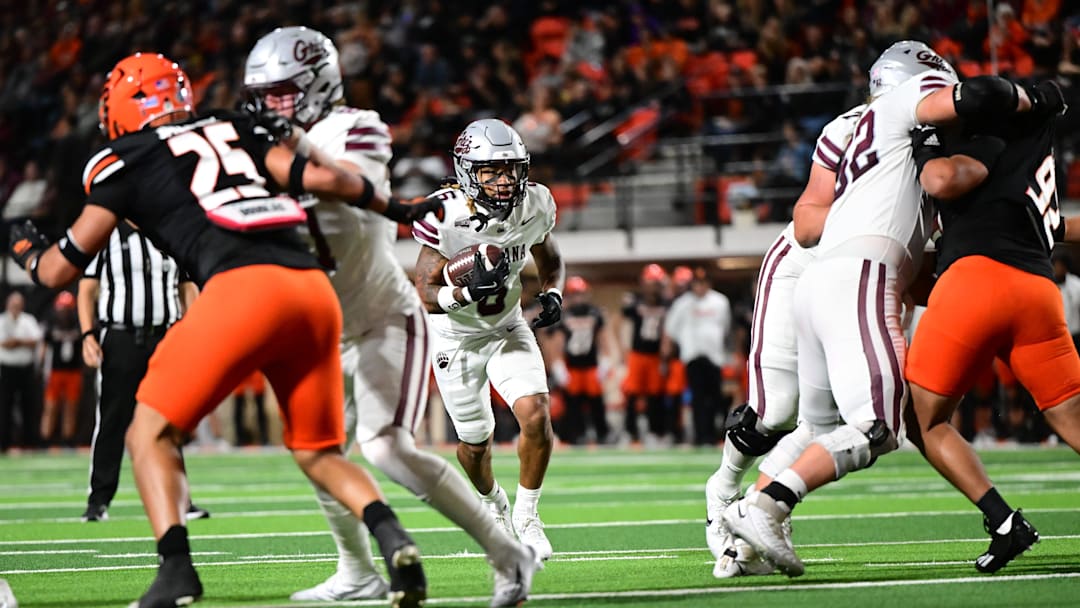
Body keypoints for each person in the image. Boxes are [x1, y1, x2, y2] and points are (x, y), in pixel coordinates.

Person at [8, 52, 440, 607]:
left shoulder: (121, 159)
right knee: (319, 451)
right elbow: (328, 177)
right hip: (311, 292)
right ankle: (394, 539)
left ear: (120, 106)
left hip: (241, 290)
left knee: (146, 433)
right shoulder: (239, 124)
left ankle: (176, 571)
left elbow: (57, 270)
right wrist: (400, 208)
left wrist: (24, 245)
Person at [723, 40, 1059, 576]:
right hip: (862, 275)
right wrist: (1031, 99)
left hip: (822, 281)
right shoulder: (911, 104)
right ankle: (764, 505)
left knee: (814, 429)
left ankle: (740, 549)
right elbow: (974, 96)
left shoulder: (857, 130)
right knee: (879, 426)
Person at [243, 28, 540, 606]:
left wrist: (267, 151)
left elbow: (331, 185)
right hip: (318, 325)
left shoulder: (355, 126)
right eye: (264, 94)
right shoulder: (264, 142)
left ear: (318, 83)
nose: (271, 105)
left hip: (379, 314)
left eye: (283, 92)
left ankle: (509, 555)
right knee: (317, 452)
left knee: (386, 447)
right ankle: (356, 571)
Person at [905, 81, 1078, 573]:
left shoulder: (985, 136)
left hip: (976, 284)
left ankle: (1004, 522)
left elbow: (942, 180)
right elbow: (1057, 227)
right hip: (1039, 293)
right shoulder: (1033, 145)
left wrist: (925, 149)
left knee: (922, 420)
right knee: (1073, 420)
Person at [705, 103, 865, 578]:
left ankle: (764, 510)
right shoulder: (855, 127)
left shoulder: (938, 149)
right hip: (804, 262)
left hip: (859, 275)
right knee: (777, 411)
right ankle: (725, 487)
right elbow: (808, 223)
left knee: (835, 419)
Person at [412, 118, 564, 561]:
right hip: (455, 336)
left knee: (535, 414)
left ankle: (528, 516)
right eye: (490, 171)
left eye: (510, 169)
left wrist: (552, 291)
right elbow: (424, 291)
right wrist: (463, 292)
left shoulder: (534, 203)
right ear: (465, 171)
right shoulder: (446, 213)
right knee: (475, 444)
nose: (503, 181)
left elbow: (548, 254)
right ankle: (492, 504)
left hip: (506, 325)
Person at [77, 224, 206, 522]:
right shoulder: (108, 234)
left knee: (171, 416)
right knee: (112, 418)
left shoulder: (170, 231)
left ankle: (181, 499)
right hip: (121, 337)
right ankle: (99, 499)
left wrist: (196, 329)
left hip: (166, 336)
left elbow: (187, 285)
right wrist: (88, 334)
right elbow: (87, 287)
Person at [662, 268, 732, 446]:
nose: (700, 287)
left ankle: (717, 433)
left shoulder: (720, 302)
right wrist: (667, 354)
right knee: (698, 398)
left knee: (715, 397)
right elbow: (670, 330)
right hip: (692, 356)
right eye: (697, 283)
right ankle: (701, 436)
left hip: (714, 356)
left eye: (703, 283)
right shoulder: (682, 304)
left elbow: (725, 327)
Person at [549, 276, 614, 445]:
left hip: (591, 365)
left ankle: (602, 433)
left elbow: (602, 339)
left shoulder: (595, 313)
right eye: (574, 294)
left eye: (580, 294)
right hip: (573, 367)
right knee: (573, 405)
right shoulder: (563, 315)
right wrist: (558, 366)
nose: (578, 298)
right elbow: (557, 342)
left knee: (597, 403)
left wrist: (605, 362)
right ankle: (576, 434)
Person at [620, 264, 671, 444]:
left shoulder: (667, 303)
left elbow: (669, 329)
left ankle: (655, 431)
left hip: (656, 356)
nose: (653, 287)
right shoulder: (635, 301)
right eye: (651, 283)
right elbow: (617, 322)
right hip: (638, 354)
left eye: (656, 283)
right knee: (632, 394)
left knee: (655, 395)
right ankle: (631, 432)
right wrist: (622, 349)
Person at [0, 290, 42, 452]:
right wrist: (21, 342)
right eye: (13, 304)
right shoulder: (2, 320)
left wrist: (16, 342)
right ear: (8, 304)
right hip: (7, 369)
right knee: (5, 406)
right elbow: (5, 344)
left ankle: (30, 443)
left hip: (26, 369)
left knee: (29, 406)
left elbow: (35, 341)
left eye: (18, 304)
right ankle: (4, 443)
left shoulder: (28, 320)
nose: (16, 307)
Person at [39, 290, 82, 447]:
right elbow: (44, 347)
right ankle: (46, 439)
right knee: (51, 406)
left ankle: (67, 440)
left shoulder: (78, 323)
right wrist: (40, 365)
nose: (63, 312)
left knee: (70, 406)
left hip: (74, 371)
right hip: (55, 371)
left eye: (66, 308)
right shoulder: (51, 324)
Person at [231, 371, 268, 446]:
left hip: (255, 369)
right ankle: (239, 439)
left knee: (260, 406)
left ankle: (264, 438)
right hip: (240, 369)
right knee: (239, 407)